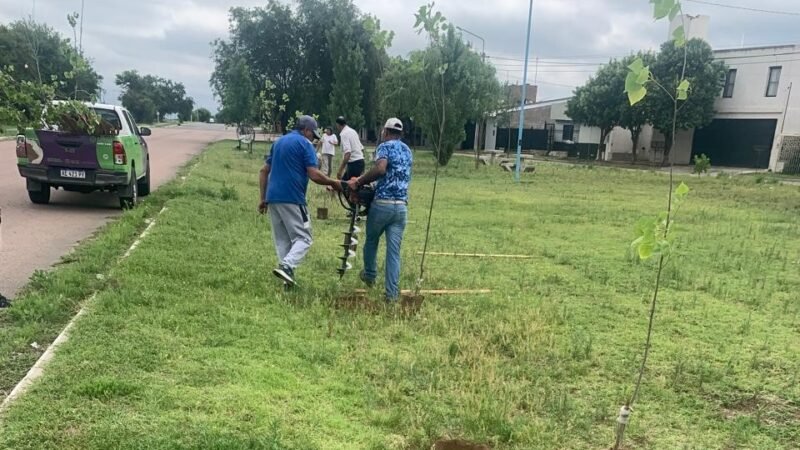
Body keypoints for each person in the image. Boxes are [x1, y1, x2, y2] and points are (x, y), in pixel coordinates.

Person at [259, 115, 342, 287]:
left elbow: (263, 171)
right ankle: (287, 266)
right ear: (306, 130)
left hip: (273, 198)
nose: (313, 138)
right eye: (313, 134)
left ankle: (287, 281)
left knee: (283, 241)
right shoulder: (304, 144)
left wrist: (263, 198)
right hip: (293, 198)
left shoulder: (279, 142)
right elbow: (313, 174)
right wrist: (333, 182)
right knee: (304, 238)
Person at [347, 118, 412, 302]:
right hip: (401, 207)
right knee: (394, 252)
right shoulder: (407, 151)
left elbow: (381, 168)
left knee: (372, 241)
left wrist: (359, 182)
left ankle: (369, 274)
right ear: (400, 133)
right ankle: (391, 295)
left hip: (382, 204)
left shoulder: (384, 147)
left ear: (385, 131)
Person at [335, 116, 365, 181]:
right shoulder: (353, 131)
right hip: (360, 161)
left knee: (347, 188)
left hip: (354, 164)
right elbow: (362, 149)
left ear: (338, 124)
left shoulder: (343, 134)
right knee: (343, 183)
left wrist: (340, 170)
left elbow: (348, 153)